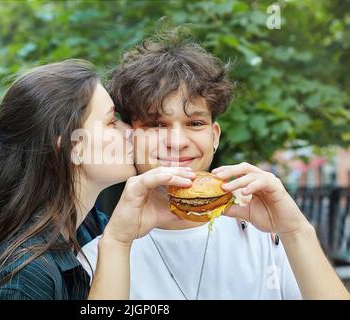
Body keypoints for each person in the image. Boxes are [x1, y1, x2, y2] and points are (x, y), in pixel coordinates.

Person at [80, 33, 350, 300]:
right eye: (157, 124)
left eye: (195, 123)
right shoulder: (101, 256)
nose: (177, 142)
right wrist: (117, 244)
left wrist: (294, 231)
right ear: (131, 136)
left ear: (215, 135)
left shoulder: (267, 236)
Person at [0, 59, 195, 299]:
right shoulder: (22, 277)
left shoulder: (85, 228)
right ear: (73, 147)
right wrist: (116, 242)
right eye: (111, 122)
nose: (130, 132)